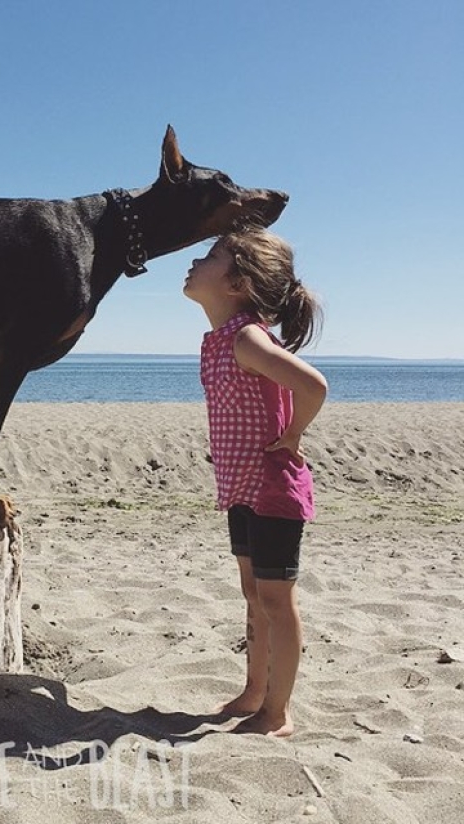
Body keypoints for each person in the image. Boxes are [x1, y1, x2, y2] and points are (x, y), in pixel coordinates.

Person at [183, 227, 328, 737]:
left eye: (211, 256)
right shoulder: (223, 339)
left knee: (275, 599)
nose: (196, 261)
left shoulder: (247, 337)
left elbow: (313, 385)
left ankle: (278, 711)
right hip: (241, 488)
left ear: (236, 282)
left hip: (271, 489)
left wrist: (291, 437)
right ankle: (253, 692)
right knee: (252, 592)